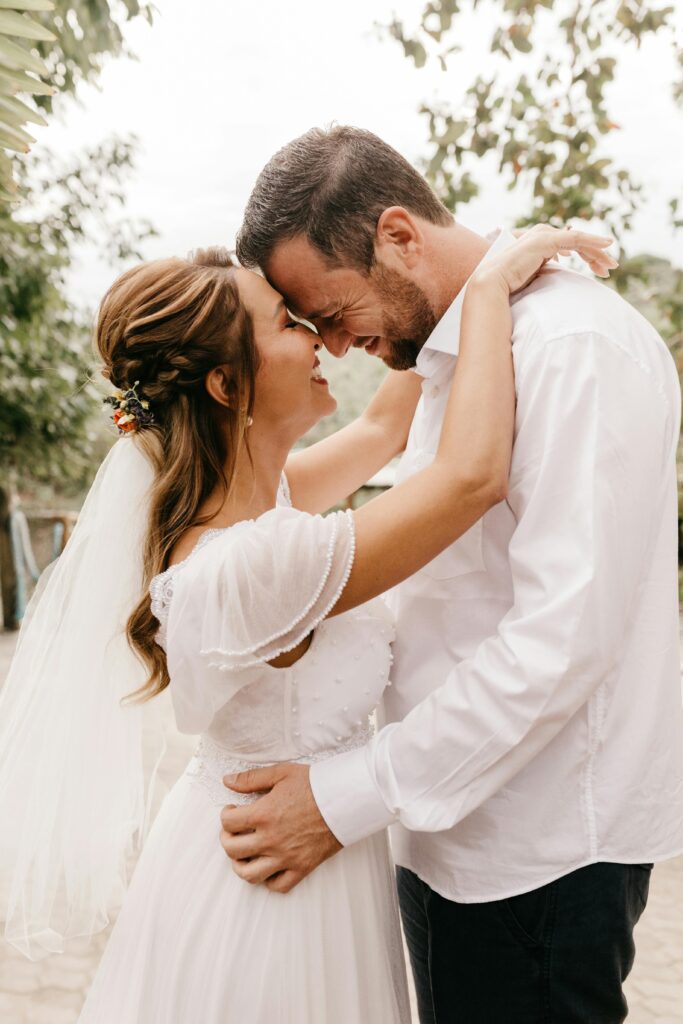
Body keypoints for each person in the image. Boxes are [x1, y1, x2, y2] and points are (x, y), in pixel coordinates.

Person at [0, 227, 609, 1023]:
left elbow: (381, 430)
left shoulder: (262, 499)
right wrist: (491, 287)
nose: (319, 337)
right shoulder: (254, 563)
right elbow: (469, 477)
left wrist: (452, 262)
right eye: (288, 323)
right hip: (269, 900)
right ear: (227, 383)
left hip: (297, 857)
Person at [225, 125, 683, 1024]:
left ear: (398, 235)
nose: (334, 346)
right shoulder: (451, 361)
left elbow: (560, 639)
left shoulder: (567, 348)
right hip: (442, 833)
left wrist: (345, 796)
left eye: (329, 310)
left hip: (537, 851)